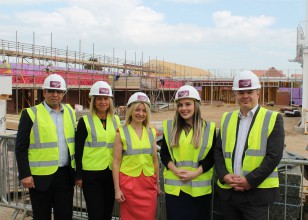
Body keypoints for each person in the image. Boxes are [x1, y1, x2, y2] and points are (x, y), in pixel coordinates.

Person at [214, 70, 285, 220]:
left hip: (256, 196)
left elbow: (274, 156)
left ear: (258, 93)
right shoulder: (227, 118)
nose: (245, 96)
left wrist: (249, 181)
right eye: (241, 92)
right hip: (229, 194)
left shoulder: (273, 118)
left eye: (249, 91)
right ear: (235, 94)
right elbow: (218, 151)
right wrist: (224, 176)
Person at [15, 73, 76, 220]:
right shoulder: (30, 114)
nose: (55, 95)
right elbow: (21, 147)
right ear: (44, 92)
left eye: (59, 92)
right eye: (51, 91)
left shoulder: (70, 111)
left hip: (65, 176)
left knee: (65, 215)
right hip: (39, 178)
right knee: (41, 216)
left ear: (63, 93)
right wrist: (25, 174)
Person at [160, 85, 216, 220]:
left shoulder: (209, 128)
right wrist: (176, 171)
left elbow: (212, 157)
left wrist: (194, 174)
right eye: (180, 105)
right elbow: (164, 155)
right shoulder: (169, 127)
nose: (183, 108)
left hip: (199, 190)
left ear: (196, 105)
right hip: (175, 190)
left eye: (188, 104)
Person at [75, 81, 121, 220]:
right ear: (93, 101)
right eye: (99, 99)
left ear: (110, 101)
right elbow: (78, 149)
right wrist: (79, 175)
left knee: (107, 213)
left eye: (106, 98)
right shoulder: (85, 121)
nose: (103, 102)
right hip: (91, 175)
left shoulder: (116, 120)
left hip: (110, 173)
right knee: (95, 214)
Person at [112, 92, 159, 220]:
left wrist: (157, 184)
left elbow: (155, 160)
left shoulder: (152, 132)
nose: (141, 113)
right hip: (129, 185)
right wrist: (117, 190)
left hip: (148, 184)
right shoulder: (120, 132)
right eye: (137, 109)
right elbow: (116, 163)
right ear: (131, 111)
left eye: (144, 110)